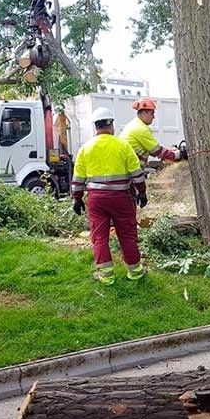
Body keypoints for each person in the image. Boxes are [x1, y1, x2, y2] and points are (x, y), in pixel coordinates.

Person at [71, 107, 147, 285]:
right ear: (111, 124)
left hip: (96, 200)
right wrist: (142, 192)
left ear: (96, 126)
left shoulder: (85, 149)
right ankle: (135, 272)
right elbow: (137, 174)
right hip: (122, 198)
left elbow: (78, 178)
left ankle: (106, 276)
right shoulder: (123, 146)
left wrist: (77, 198)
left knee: (99, 237)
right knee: (127, 235)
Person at [119, 97, 188, 168]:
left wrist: (169, 152)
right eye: (152, 113)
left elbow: (152, 151)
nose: (153, 117)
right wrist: (179, 154)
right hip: (129, 169)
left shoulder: (134, 124)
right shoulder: (141, 129)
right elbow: (157, 151)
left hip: (125, 166)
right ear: (144, 113)